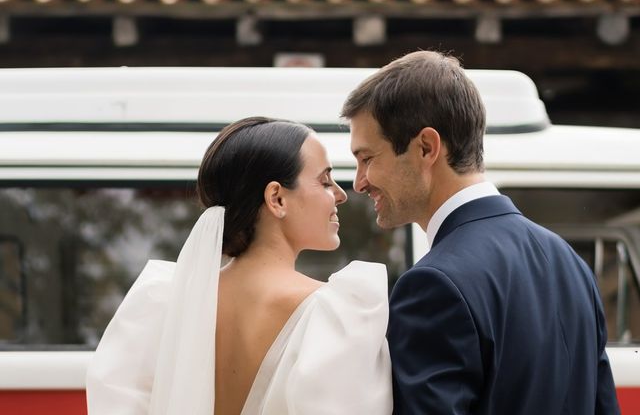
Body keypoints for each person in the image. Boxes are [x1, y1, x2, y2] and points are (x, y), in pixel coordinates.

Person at [341, 51, 620, 415]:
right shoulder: (570, 263)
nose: (360, 183)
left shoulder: (433, 285)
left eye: (367, 158)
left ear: (426, 147)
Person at [86, 117, 393, 415]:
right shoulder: (337, 315)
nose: (340, 195)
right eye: (325, 180)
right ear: (277, 199)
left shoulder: (163, 304)